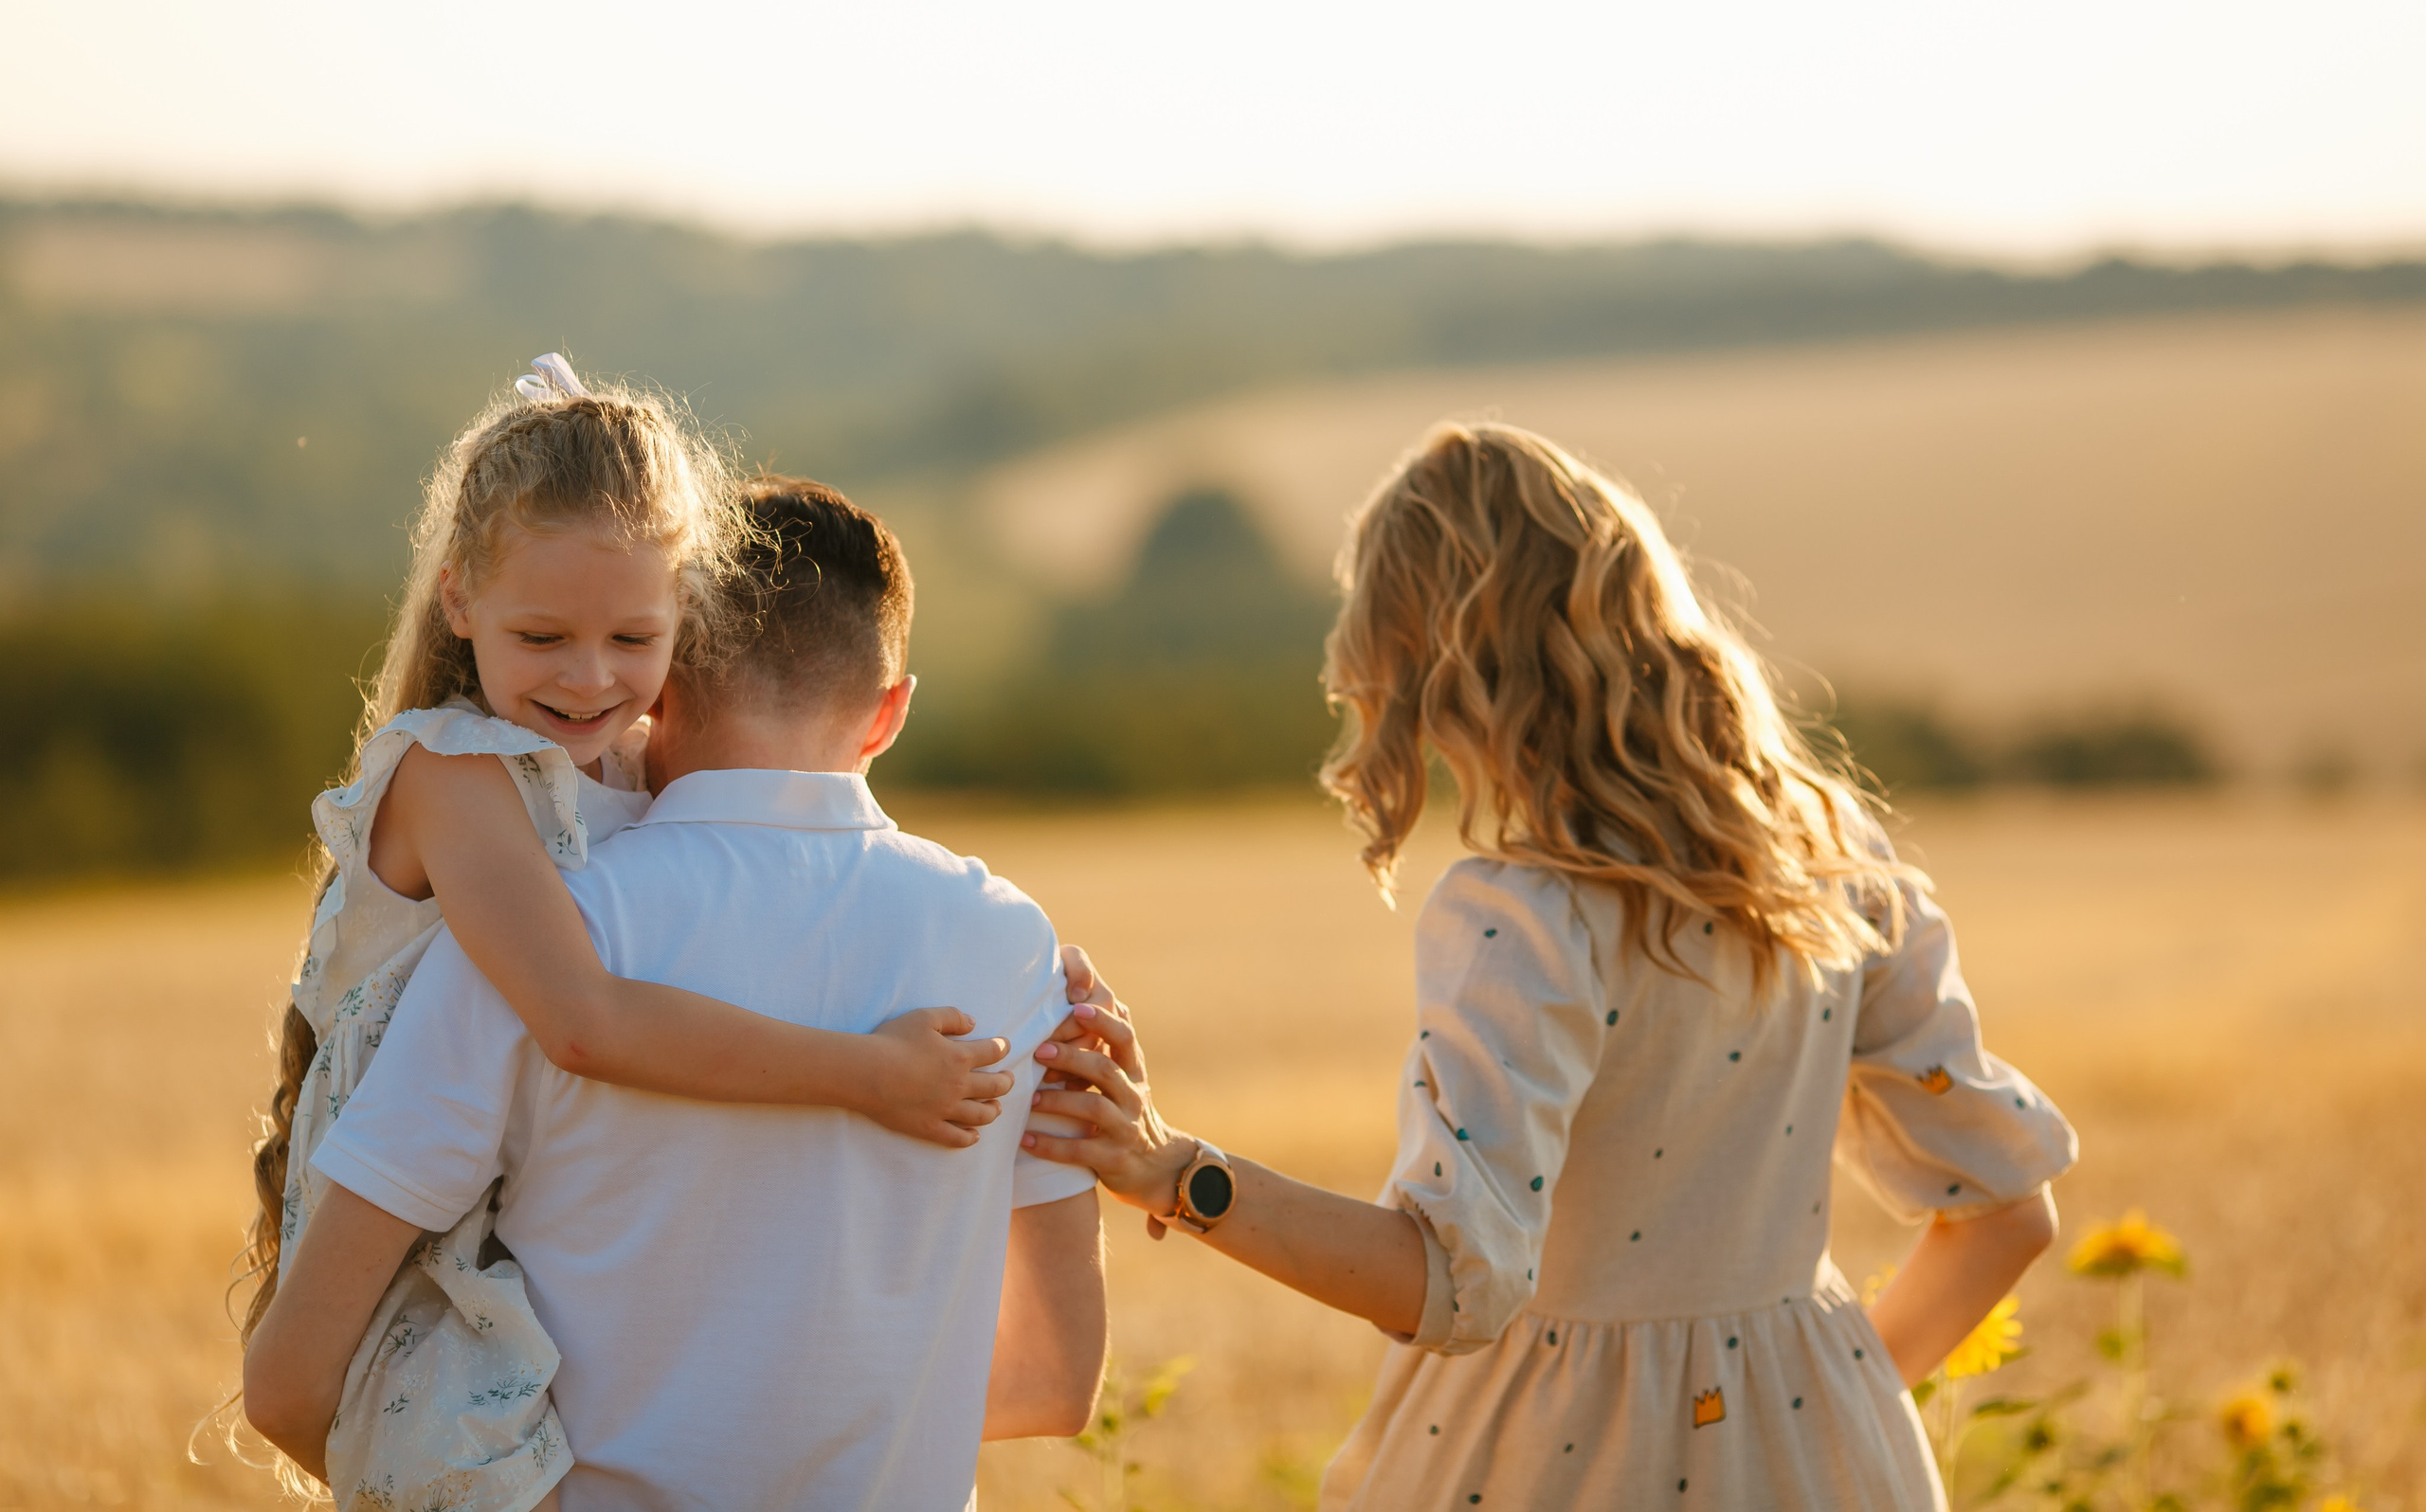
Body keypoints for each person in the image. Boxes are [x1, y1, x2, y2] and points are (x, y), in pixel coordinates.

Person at [1031, 423, 2079, 1509]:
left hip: (1562, 1469)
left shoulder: (1528, 916)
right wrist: (1813, 1414)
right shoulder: (1832, 858)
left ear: (1432, 666)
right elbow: (2010, 1213)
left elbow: (1450, 1281)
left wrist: (1170, 1172)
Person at [238, 360, 1024, 1509]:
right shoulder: (455, 775)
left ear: (686, 627)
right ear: (459, 602)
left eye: (633, 638)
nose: (592, 677)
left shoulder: (609, 757)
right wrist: (871, 1073)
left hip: (490, 1219)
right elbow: (584, 1021)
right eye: (544, 636)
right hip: (411, 1233)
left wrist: (1017, 958)